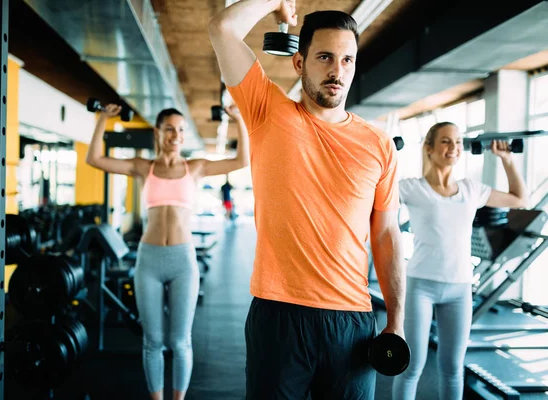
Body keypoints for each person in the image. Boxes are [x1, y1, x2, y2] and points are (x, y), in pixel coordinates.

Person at [209, 2, 405, 399]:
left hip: (351, 318)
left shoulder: (379, 145)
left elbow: (386, 234)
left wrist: (396, 321)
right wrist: (274, 1)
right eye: (325, 57)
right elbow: (222, 29)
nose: (337, 71)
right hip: (279, 314)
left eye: (347, 59)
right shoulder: (267, 111)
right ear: (299, 63)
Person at [85, 104, 249, 400]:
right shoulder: (142, 167)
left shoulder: (195, 167)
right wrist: (102, 120)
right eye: (170, 128)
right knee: (153, 341)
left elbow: (242, 160)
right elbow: (94, 158)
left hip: (183, 261)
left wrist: (238, 120)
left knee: (180, 341)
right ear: (157, 132)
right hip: (149, 260)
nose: (177, 135)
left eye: (182, 130)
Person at [392, 122, 528, 400]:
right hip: (421, 287)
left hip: (460, 289)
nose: (452, 147)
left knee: (453, 368)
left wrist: (507, 160)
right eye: (445, 141)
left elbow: (520, 198)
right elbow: (369, 193)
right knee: (411, 366)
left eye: (456, 142)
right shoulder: (411, 188)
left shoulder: (471, 189)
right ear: (429, 148)